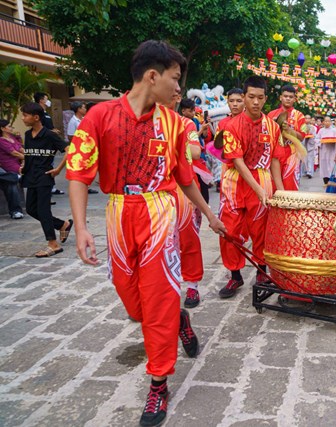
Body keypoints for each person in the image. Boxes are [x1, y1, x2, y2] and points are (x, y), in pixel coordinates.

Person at [66, 40, 225, 427]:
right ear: (152, 76)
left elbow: (185, 180)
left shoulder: (175, 124)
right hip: (119, 213)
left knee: (156, 300)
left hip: (159, 214)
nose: (178, 89)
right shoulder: (100, 117)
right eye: (174, 79)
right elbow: (78, 171)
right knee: (132, 300)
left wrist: (209, 214)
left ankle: (158, 382)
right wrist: (82, 228)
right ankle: (179, 322)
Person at [217, 76, 286, 299]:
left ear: (266, 98)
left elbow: (275, 159)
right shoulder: (230, 126)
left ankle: (261, 272)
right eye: (251, 97)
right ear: (244, 97)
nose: (255, 102)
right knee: (230, 230)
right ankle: (235, 275)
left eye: (260, 98)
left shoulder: (273, 127)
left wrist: (281, 190)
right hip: (236, 182)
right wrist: (257, 189)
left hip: (262, 178)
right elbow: (236, 161)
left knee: (261, 230)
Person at [20, 102, 73, 257]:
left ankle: (53, 244)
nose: (23, 118)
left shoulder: (49, 135)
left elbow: (69, 149)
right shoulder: (28, 135)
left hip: (45, 176)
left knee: (43, 210)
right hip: (30, 176)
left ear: (36, 117)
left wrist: (58, 169)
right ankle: (63, 224)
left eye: (25, 115)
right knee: (31, 209)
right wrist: (23, 164)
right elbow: (30, 154)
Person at [171, 95, 205, 309]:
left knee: (187, 237)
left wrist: (171, 144)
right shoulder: (146, 121)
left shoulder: (185, 123)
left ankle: (192, 284)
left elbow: (195, 151)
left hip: (183, 187)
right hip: (153, 191)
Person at [267, 85, 308, 191]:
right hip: (274, 154)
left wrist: (290, 130)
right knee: (273, 186)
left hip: (292, 154)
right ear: (281, 97)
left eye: (291, 97)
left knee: (290, 186)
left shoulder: (300, 116)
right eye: (285, 96)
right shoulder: (271, 115)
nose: (288, 98)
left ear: (294, 99)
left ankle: (290, 208)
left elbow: (302, 137)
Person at [179, 99, 212, 203]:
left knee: (203, 187)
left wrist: (205, 129)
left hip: (200, 157)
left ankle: (204, 206)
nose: (193, 113)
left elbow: (204, 137)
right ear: (183, 111)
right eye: (190, 111)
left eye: (194, 110)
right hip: (190, 160)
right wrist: (201, 130)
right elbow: (188, 141)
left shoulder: (196, 121)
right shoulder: (181, 123)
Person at [35, 92, 64, 196]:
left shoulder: (45, 113)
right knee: (46, 164)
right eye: (47, 99)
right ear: (41, 100)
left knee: (50, 163)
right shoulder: (38, 113)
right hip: (44, 143)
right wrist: (51, 132)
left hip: (51, 142)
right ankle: (46, 187)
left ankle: (51, 186)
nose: (48, 101)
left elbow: (47, 126)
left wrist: (53, 130)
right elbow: (40, 128)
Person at [0, 119, 25, 219]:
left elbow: (20, 149)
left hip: (10, 168)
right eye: (9, 126)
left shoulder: (12, 138)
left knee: (10, 182)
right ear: (2, 128)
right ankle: (15, 211)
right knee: (11, 179)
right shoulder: (1, 140)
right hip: (7, 166)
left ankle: (16, 211)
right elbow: (14, 153)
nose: (11, 128)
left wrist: (26, 158)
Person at [317, 116, 336, 183]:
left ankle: (331, 180)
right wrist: (321, 142)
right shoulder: (321, 130)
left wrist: (333, 141)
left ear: (331, 122)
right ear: (323, 122)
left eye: (328, 121)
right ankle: (325, 180)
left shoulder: (334, 130)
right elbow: (317, 139)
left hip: (332, 150)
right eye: (326, 121)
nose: (327, 122)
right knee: (324, 166)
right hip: (323, 150)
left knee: (331, 165)